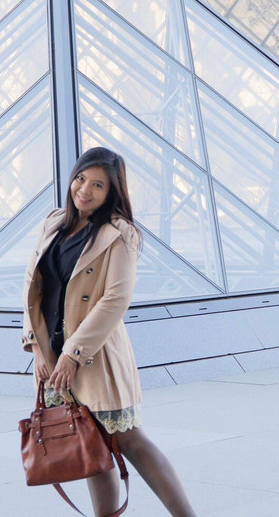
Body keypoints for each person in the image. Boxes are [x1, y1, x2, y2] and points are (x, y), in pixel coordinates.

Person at [22, 147, 198, 517]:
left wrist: (72, 354)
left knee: (130, 440)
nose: (84, 189)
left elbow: (116, 299)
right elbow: (32, 288)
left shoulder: (120, 234)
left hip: (95, 356)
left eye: (97, 185)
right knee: (91, 445)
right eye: (81, 178)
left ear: (112, 192)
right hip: (54, 357)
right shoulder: (53, 223)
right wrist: (37, 349)